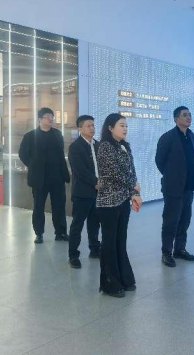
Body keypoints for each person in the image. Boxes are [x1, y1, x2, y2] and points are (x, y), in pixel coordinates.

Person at [96, 113, 142, 298]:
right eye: (121, 125)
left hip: (123, 200)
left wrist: (135, 193)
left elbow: (131, 171)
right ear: (110, 128)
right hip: (108, 202)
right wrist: (133, 186)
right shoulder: (105, 147)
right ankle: (110, 284)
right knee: (109, 242)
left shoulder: (124, 146)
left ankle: (125, 279)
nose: (125, 129)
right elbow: (114, 174)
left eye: (126, 126)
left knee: (120, 241)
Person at [19, 107, 70, 244]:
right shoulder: (30, 136)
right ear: (40, 119)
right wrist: (34, 165)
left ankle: (60, 232)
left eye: (52, 117)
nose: (51, 119)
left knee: (59, 206)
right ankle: (39, 234)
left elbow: (60, 154)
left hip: (57, 177)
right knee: (38, 207)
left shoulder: (57, 134)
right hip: (39, 178)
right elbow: (23, 154)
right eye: (48, 117)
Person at [155, 106, 194, 267]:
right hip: (173, 187)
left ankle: (179, 249)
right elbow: (159, 161)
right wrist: (171, 175)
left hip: (188, 186)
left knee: (185, 220)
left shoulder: (191, 136)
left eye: (189, 115)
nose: (188, 117)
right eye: (184, 115)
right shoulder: (167, 137)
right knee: (170, 221)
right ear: (176, 119)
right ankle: (166, 252)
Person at [67, 115, 101, 269]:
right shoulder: (75, 147)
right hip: (82, 193)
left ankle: (95, 249)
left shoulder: (98, 145)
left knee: (95, 223)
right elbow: (80, 170)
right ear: (80, 128)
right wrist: (96, 182)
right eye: (88, 126)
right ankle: (73, 255)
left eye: (93, 125)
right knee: (77, 224)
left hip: (98, 192)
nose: (92, 128)